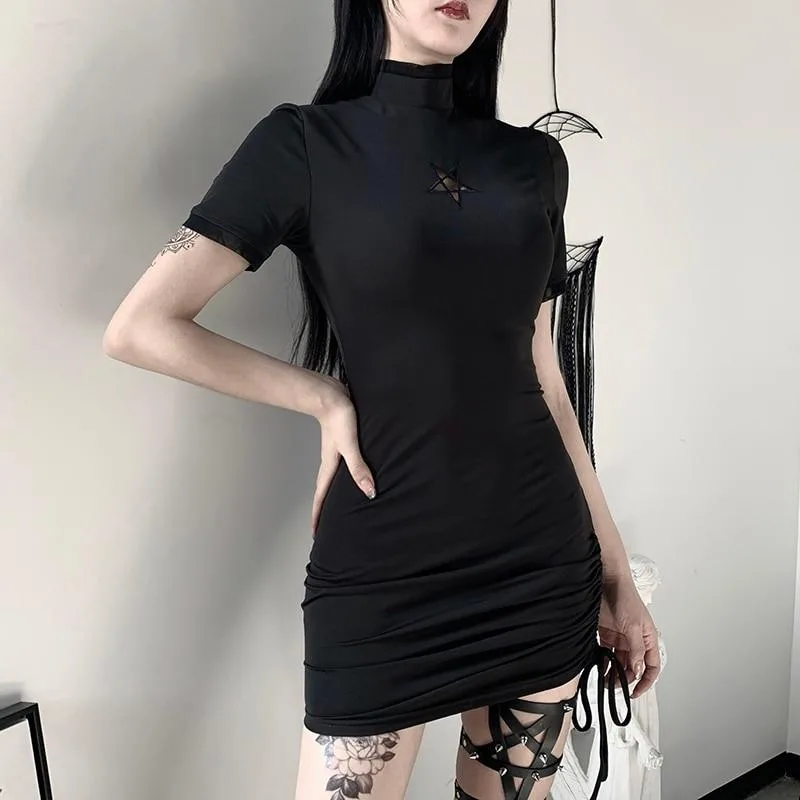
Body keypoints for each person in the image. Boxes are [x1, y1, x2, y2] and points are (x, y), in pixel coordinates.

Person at [103, 0, 661, 798]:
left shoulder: (536, 162)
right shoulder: (302, 144)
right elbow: (141, 326)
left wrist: (616, 576)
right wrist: (321, 396)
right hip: (383, 576)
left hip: (538, 565)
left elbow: (547, 378)